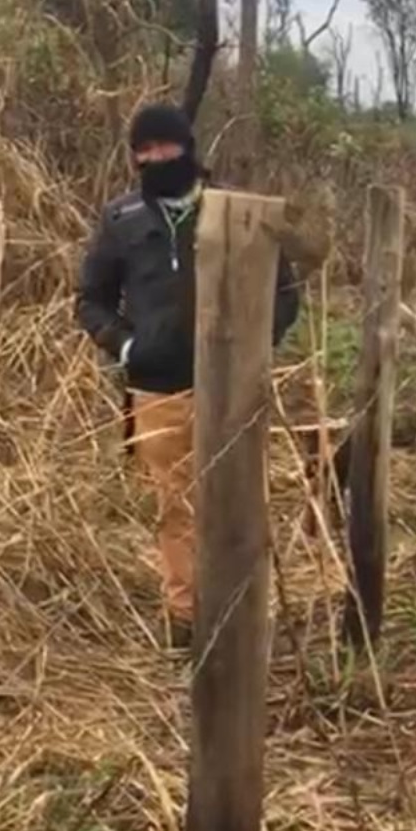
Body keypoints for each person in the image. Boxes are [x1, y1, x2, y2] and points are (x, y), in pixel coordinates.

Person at [76, 103, 300, 646]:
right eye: (143, 150)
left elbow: (285, 295)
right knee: (175, 508)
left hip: (230, 389)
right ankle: (185, 623)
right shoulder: (121, 219)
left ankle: (240, 615)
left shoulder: (236, 213)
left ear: (188, 148)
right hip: (156, 391)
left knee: (237, 500)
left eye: (164, 146)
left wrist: (251, 348)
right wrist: (128, 347)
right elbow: (91, 300)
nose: (154, 158)